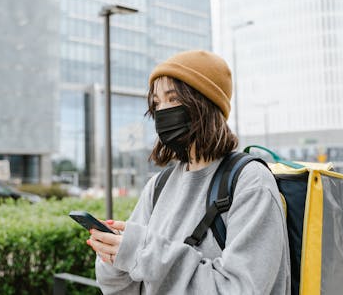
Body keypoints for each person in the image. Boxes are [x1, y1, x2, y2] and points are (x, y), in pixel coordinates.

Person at [87, 50, 291, 294]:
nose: (162, 111)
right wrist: (114, 258)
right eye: (156, 103)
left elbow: (239, 288)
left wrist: (142, 251)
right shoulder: (158, 186)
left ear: (205, 104)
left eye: (173, 99)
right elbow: (126, 289)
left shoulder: (250, 181)